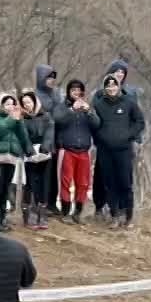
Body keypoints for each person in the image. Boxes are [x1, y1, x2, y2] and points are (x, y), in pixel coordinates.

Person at [91, 59, 145, 218]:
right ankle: (102, 208)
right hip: (104, 146)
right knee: (105, 180)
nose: (120, 75)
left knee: (125, 180)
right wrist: (99, 138)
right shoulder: (99, 96)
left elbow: (137, 119)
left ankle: (125, 212)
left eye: (122, 73)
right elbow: (95, 121)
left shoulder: (130, 96)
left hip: (124, 144)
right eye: (117, 72)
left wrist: (134, 136)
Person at [53, 80, 99, 225]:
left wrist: (89, 112)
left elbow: (97, 124)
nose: (76, 92)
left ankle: (78, 212)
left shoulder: (87, 108)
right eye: (73, 90)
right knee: (66, 182)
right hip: (67, 150)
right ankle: (65, 211)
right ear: (68, 91)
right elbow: (58, 120)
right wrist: (72, 110)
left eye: (79, 90)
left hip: (84, 151)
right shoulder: (62, 107)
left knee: (83, 183)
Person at [0, 93, 31, 231]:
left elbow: (23, 137)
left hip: (11, 158)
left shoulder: (15, 119)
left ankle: (2, 218)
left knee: (6, 189)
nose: (10, 106)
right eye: (7, 104)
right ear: (1, 105)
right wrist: (11, 119)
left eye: (12, 103)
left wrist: (19, 120)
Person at [17, 90, 55, 230]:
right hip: (30, 155)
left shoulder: (46, 116)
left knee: (44, 183)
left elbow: (50, 132)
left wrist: (45, 147)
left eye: (29, 101)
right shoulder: (23, 119)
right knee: (31, 183)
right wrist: (30, 151)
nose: (27, 105)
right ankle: (30, 215)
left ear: (35, 101)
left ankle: (42, 215)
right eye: (24, 103)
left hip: (45, 154)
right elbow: (23, 136)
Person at [31, 65, 63, 216]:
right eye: (48, 77)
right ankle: (38, 202)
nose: (51, 81)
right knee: (40, 173)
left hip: (56, 137)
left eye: (53, 78)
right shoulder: (35, 94)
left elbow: (60, 113)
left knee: (53, 173)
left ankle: (51, 202)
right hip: (40, 137)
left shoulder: (56, 94)